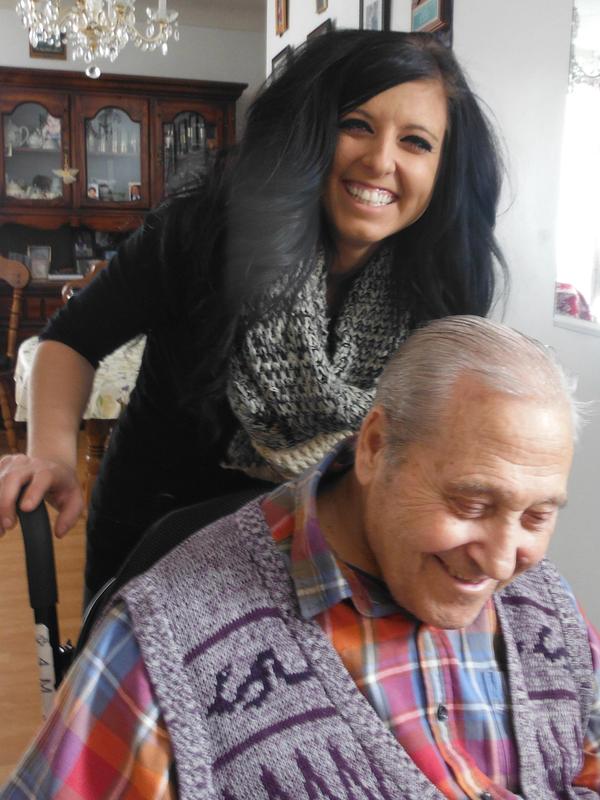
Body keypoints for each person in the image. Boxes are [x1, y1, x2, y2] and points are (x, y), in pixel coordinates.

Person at [0, 30, 507, 599]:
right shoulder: (202, 230)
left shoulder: (442, 284)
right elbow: (72, 338)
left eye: (416, 142)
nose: (380, 161)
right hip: (155, 539)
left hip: (318, 553)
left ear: (445, 167)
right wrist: (53, 456)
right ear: (306, 129)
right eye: (356, 125)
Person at [3, 316, 598, 800]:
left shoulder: (541, 604)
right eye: (471, 504)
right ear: (375, 447)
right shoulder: (168, 648)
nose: (502, 563)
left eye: (537, 516)